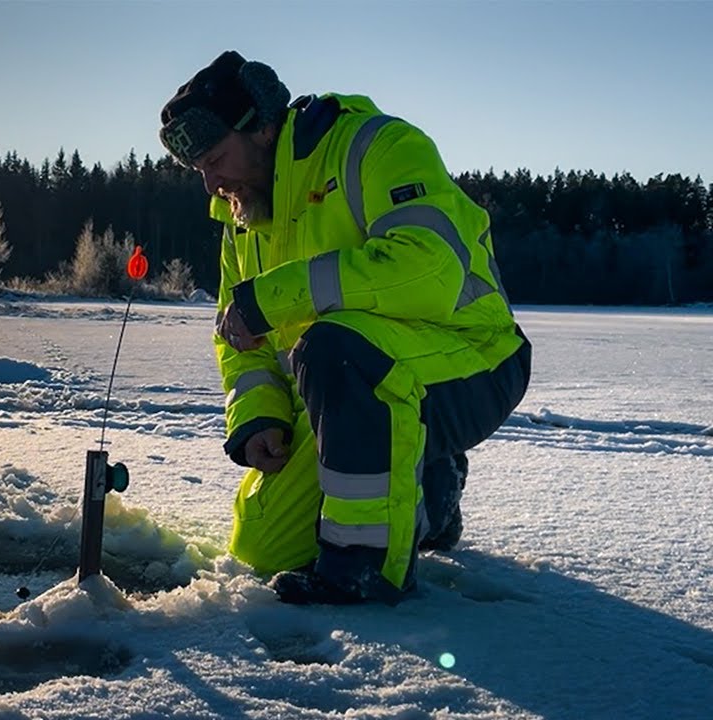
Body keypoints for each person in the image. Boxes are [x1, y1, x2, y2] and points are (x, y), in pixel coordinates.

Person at [158, 51, 532, 605]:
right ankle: (429, 488)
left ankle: (364, 572)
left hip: (473, 357)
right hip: (347, 386)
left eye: (216, 159)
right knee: (263, 548)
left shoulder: (376, 146)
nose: (212, 184)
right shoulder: (242, 216)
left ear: (262, 127)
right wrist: (259, 413)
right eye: (201, 171)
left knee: (336, 348)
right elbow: (237, 335)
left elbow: (429, 268)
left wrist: (273, 299)